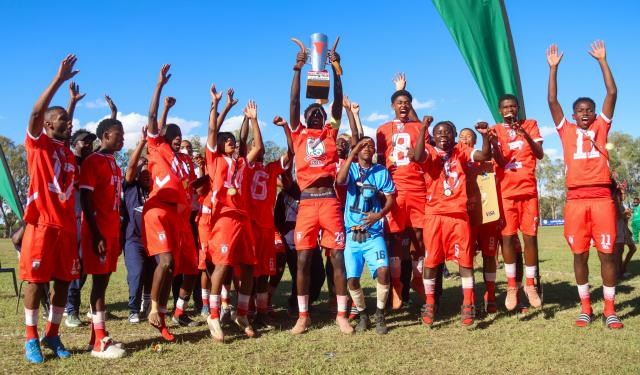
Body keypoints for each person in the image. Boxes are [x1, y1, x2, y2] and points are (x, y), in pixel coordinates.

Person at [547, 40, 622, 328]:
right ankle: (586, 306)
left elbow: (612, 92)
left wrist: (602, 60)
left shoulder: (602, 127)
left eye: (589, 109)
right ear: (574, 114)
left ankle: (610, 309)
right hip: (576, 200)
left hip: (601, 198)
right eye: (580, 110)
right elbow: (552, 102)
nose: (586, 113)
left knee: (607, 255)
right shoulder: (566, 130)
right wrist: (553, 69)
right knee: (579, 255)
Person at [288, 47, 352, 334]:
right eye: (311, 111)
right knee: (303, 258)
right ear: (304, 117)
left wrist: (337, 71)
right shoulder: (298, 133)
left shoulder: (330, 132)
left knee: (337, 257)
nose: (316, 114)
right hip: (306, 203)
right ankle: (304, 316)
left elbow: (337, 102)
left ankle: (341, 315)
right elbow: (292, 101)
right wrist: (297, 70)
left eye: (319, 112)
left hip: (328, 202)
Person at [20, 55, 79, 363]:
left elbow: (62, 122)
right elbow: (36, 112)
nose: (69, 124)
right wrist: (58, 80)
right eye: (64, 122)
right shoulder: (38, 145)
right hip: (42, 225)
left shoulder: (67, 153)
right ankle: (31, 339)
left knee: (63, 283)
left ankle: (52, 334)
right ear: (47, 125)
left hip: (67, 227)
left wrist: (71, 104)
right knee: (36, 281)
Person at [414, 118, 492, 327]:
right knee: (431, 262)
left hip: (458, 215)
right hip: (434, 215)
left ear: (454, 135)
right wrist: (423, 129)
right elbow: (417, 155)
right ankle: (429, 302)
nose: (442, 136)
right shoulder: (429, 150)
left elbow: (485, 155)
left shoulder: (462, 150)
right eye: (438, 133)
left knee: (465, 261)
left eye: (447, 133)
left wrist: (485, 136)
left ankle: (468, 302)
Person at [142, 64, 196, 341]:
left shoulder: (182, 161)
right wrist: (159, 85)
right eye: (171, 134)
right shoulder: (156, 147)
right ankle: (153, 309)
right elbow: (152, 117)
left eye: (179, 135)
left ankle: (162, 317)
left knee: (173, 266)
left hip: (178, 215)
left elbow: (187, 185)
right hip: (157, 211)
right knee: (165, 262)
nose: (177, 138)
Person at [205, 93, 263, 341]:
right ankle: (214, 316)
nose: (231, 141)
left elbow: (258, 147)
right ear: (217, 145)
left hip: (243, 218)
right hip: (224, 216)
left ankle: (241, 313)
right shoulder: (214, 159)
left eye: (232, 139)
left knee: (249, 265)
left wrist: (254, 120)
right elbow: (211, 127)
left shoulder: (240, 163)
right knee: (223, 264)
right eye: (225, 139)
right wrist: (221, 105)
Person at [376, 78, 428, 310]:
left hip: (417, 186)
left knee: (420, 235)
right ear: (392, 106)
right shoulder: (383, 129)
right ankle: (396, 288)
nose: (403, 105)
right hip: (393, 189)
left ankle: (418, 277)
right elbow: (378, 160)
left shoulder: (418, 127)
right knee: (396, 238)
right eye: (399, 102)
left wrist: (401, 90)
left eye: (407, 102)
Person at [490, 94, 544, 311]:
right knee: (508, 239)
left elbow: (539, 154)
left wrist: (525, 135)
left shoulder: (530, 124)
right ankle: (512, 286)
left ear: (518, 108)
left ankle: (530, 285)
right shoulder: (496, 129)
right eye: (505, 107)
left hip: (528, 190)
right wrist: (491, 140)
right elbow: (501, 162)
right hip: (506, 192)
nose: (509, 109)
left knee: (530, 238)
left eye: (512, 106)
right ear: (500, 110)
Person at [336, 137, 395, 334]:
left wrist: (379, 214)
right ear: (356, 149)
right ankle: (363, 315)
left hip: (374, 233)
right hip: (353, 234)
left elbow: (391, 198)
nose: (368, 148)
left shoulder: (381, 171)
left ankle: (380, 314)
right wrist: (351, 154)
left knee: (384, 270)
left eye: (371, 145)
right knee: (352, 279)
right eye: (363, 145)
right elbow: (340, 180)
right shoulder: (351, 169)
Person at [79, 118, 126, 358]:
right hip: (97, 231)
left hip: (111, 230)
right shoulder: (93, 161)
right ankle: (100, 341)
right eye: (118, 135)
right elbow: (85, 200)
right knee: (98, 283)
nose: (123, 138)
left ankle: (94, 336)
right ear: (106, 136)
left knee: (104, 281)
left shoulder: (114, 163)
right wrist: (96, 233)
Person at [242, 114, 292, 329]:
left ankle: (262, 312)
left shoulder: (271, 168)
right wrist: (250, 120)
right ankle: (246, 312)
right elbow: (244, 141)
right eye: (255, 144)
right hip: (249, 225)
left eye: (261, 146)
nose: (259, 148)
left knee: (264, 272)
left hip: (266, 226)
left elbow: (291, 152)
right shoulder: (244, 166)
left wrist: (285, 128)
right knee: (249, 271)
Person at [458, 127, 501, 314]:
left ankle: (490, 295)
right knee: (466, 257)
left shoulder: (487, 159)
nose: (464, 140)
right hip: (466, 215)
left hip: (487, 216)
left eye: (468, 137)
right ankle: (469, 299)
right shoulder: (455, 160)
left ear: (474, 141)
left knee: (489, 255)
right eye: (461, 137)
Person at [63, 127, 96, 328]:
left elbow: (106, 147)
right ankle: (70, 309)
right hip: (70, 219)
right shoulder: (69, 159)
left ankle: (68, 304)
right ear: (74, 144)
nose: (89, 145)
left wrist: (113, 115)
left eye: (91, 142)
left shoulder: (92, 163)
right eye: (84, 141)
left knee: (83, 265)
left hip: (88, 220)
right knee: (72, 265)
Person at [122, 127, 155, 323]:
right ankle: (133, 308)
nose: (146, 174)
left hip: (153, 239)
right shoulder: (132, 187)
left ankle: (147, 302)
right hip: (133, 239)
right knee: (136, 273)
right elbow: (131, 168)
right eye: (143, 171)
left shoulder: (156, 189)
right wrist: (142, 143)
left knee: (152, 273)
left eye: (149, 172)